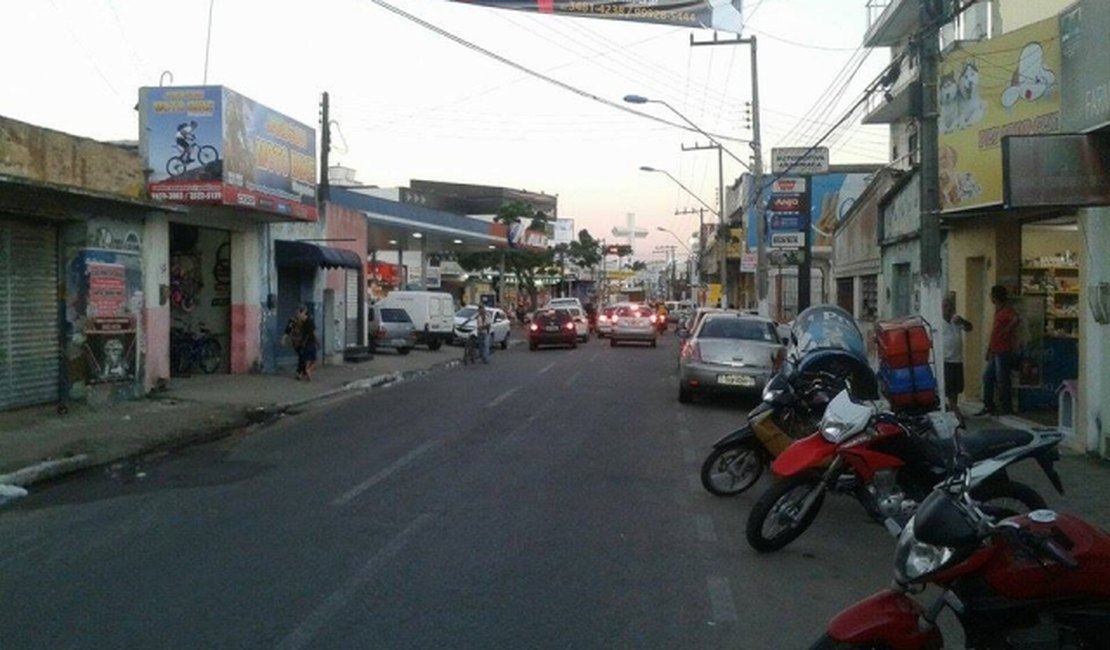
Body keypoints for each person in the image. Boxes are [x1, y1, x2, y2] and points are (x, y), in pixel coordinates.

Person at [977, 285, 1021, 416]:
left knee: (1002, 379)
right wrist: (989, 349)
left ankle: (1006, 407)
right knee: (988, 377)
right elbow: (994, 333)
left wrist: (1007, 330)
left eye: (991, 295)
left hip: (1004, 350)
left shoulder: (1006, 310)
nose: (990, 297)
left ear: (995, 297)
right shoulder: (998, 311)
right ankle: (988, 405)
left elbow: (1016, 319)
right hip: (996, 350)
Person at [941, 294, 973, 420]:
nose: (949, 309)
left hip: (957, 360)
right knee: (949, 388)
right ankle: (955, 410)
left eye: (951, 306)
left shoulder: (956, 321)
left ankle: (953, 406)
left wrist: (963, 321)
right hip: (946, 360)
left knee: (957, 388)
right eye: (946, 306)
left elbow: (969, 328)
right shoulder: (939, 323)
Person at [285, 306, 307, 379]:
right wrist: (284, 338)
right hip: (296, 341)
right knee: (302, 356)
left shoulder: (306, 320)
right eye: (303, 312)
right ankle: (300, 372)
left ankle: (302, 372)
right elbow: (288, 329)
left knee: (302, 356)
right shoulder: (292, 320)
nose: (304, 314)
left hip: (304, 341)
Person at [299, 312, 319, 381]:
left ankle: (307, 376)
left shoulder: (303, 323)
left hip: (305, 344)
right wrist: (318, 343)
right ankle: (309, 370)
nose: (300, 316)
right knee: (315, 361)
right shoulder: (310, 323)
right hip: (311, 343)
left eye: (301, 315)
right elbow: (314, 334)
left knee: (307, 361)